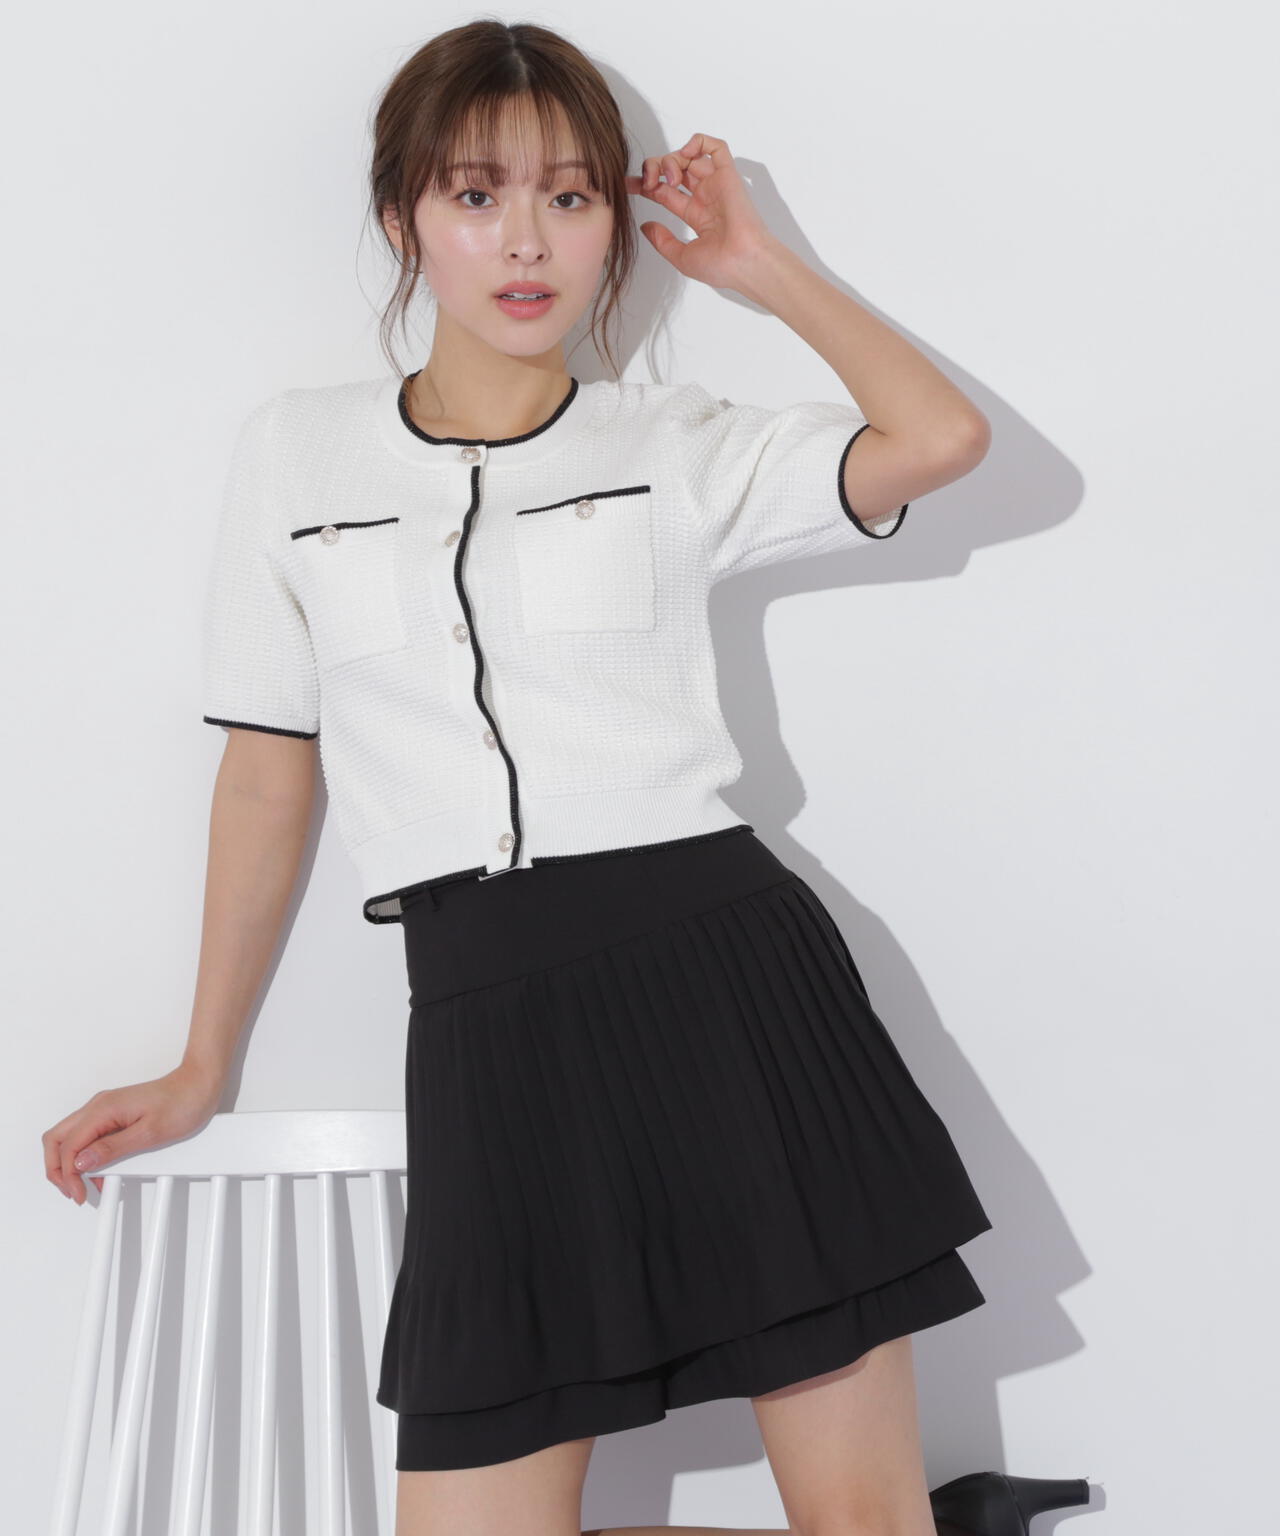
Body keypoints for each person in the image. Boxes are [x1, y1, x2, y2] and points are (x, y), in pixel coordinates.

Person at [41, 19, 1086, 1536]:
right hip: (485, 1032)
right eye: (476, 196)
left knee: (858, 1517)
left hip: (725, 993)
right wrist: (205, 1063)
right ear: (403, 216)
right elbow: (269, 770)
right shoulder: (296, 457)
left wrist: (761, 267)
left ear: (612, 227)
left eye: (571, 196)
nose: (525, 240)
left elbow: (940, 437)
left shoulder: (677, 445)